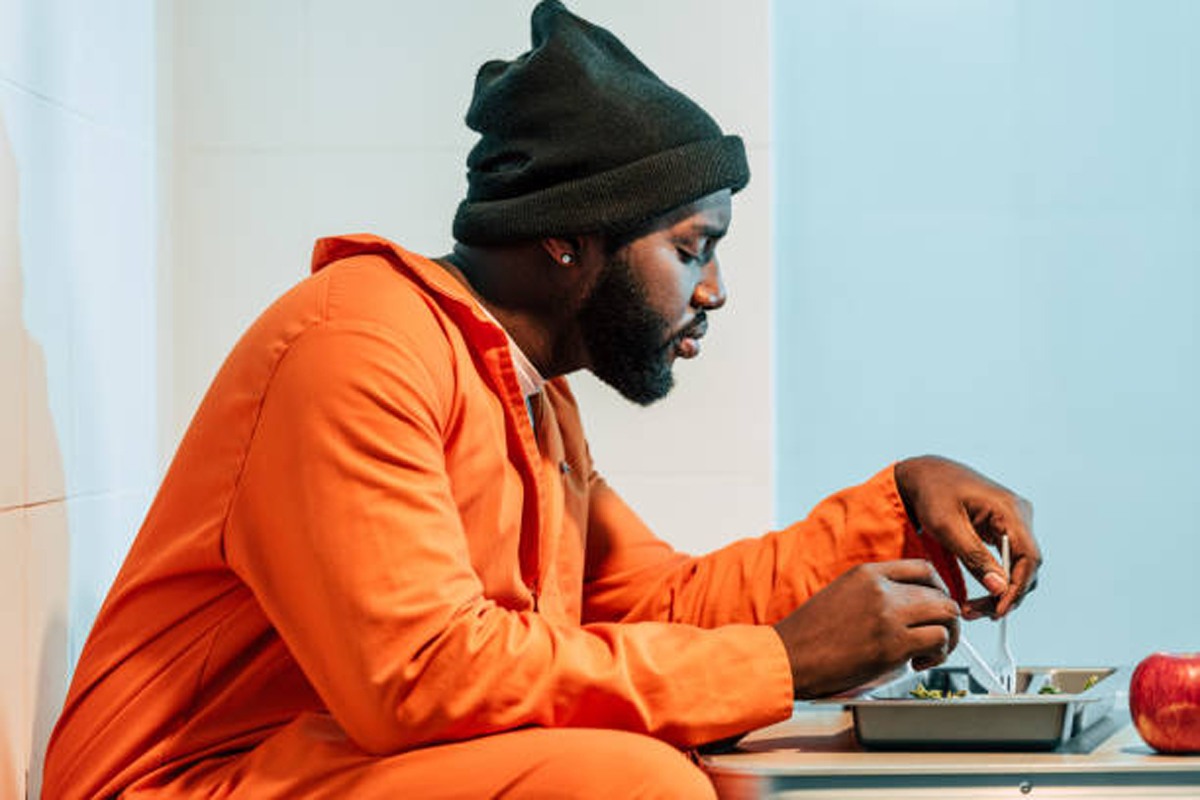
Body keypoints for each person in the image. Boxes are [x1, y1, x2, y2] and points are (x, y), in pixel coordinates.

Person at [42, 2, 1040, 798]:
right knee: (633, 780)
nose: (716, 290)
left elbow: (663, 604)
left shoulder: (525, 395)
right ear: (570, 236)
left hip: (325, 759)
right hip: (183, 780)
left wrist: (901, 507)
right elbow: (423, 676)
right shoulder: (357, 346)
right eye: (692, 246)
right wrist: (778, 659)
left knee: (692, 757)